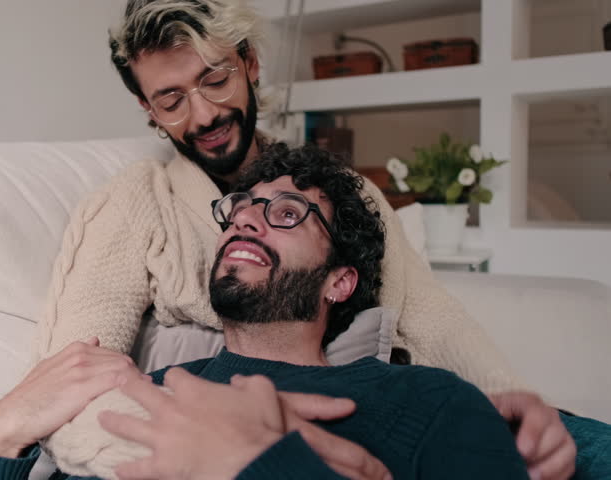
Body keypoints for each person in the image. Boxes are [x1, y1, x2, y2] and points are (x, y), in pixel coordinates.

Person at [36, 0, 597, 477]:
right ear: (148, 109)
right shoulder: (135, 202)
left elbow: (430, 316)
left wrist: (515, 403)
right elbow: (74, 380)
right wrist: (227, 451)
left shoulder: (346, 189)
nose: (203, 115)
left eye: (216, 79)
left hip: (379, 409)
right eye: (172, 100)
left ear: (250, 63)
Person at [0, 144, 535, 479]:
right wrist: (0, 435)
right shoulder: (141, 397)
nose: (246, 219)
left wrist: (265, 464)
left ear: (339, 281)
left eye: (287, 213)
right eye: (241, 209)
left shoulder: (426, 400)